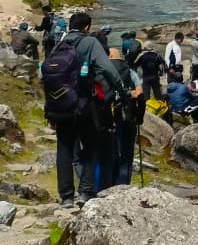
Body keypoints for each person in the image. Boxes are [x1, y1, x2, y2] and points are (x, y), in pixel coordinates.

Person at [42, 11, 124, 208]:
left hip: (60, 106)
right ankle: (85, 192)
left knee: (64, 149)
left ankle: (66, 197)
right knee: (90, 146)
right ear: (87, 27)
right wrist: (121, 88)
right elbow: (107, 68)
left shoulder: (58, 45)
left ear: (70, 25)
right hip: (84, 104)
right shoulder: (90, 43)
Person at [108, 48, 144, 186]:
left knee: (111, 151)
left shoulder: (103, 70)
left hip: (110, 116)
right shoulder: (130, 72)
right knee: (126, 153)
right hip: (129, 115)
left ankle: (109, 183)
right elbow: (140, 95)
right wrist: (139, 118)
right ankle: (123, 184)